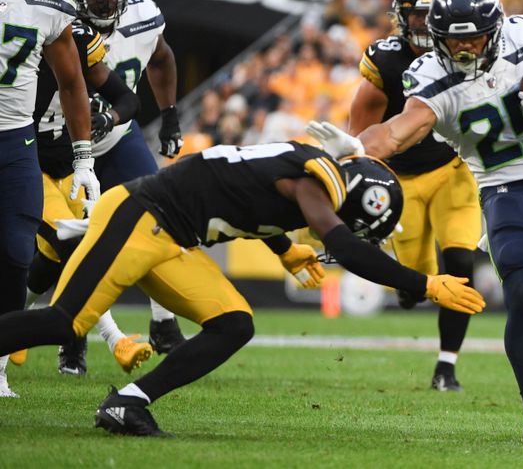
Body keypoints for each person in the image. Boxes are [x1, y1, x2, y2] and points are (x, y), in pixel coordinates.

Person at [306, 0, 523, 446]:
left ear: (497, 27)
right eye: (453, 41)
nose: (463, 51)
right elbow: (397, 132)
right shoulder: (431, 75)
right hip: (504, 189)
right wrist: (354, 147)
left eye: (473, 39)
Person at [0, 141, 485, 435]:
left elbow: (244, 189)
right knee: (64, 321)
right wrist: (425, 284)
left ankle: (128, 404)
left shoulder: (305, 170)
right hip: (139, 215)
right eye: (357, 224)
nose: (346, 230)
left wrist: (283, 248)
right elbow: (347, 247)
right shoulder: (314, 186)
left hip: (171, 236)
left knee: (234, 323)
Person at [22, 0, 186, 374]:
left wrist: (168, 115)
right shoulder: (56, 24)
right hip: (48, 144)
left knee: (157, 216)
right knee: (63, 244)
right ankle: (70, 340)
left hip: (110, 137)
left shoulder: (142, 17)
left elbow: (161, 60)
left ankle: (163, 323)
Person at [350, 0, 481, 392]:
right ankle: (408, 291)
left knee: (460, 265)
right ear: (400, 16)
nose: (424, 23)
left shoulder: (469, 49)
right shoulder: (386, 60)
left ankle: (447, 366)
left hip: (451, 173)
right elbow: (360, 134)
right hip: (401, 179)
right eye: (416, 14)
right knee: (417, 284)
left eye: (431, 14)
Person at [0, 0, 99, 397]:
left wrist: (84, 159)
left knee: (18, 254)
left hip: (17, 143)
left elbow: (73, 82)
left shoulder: (48, 0)